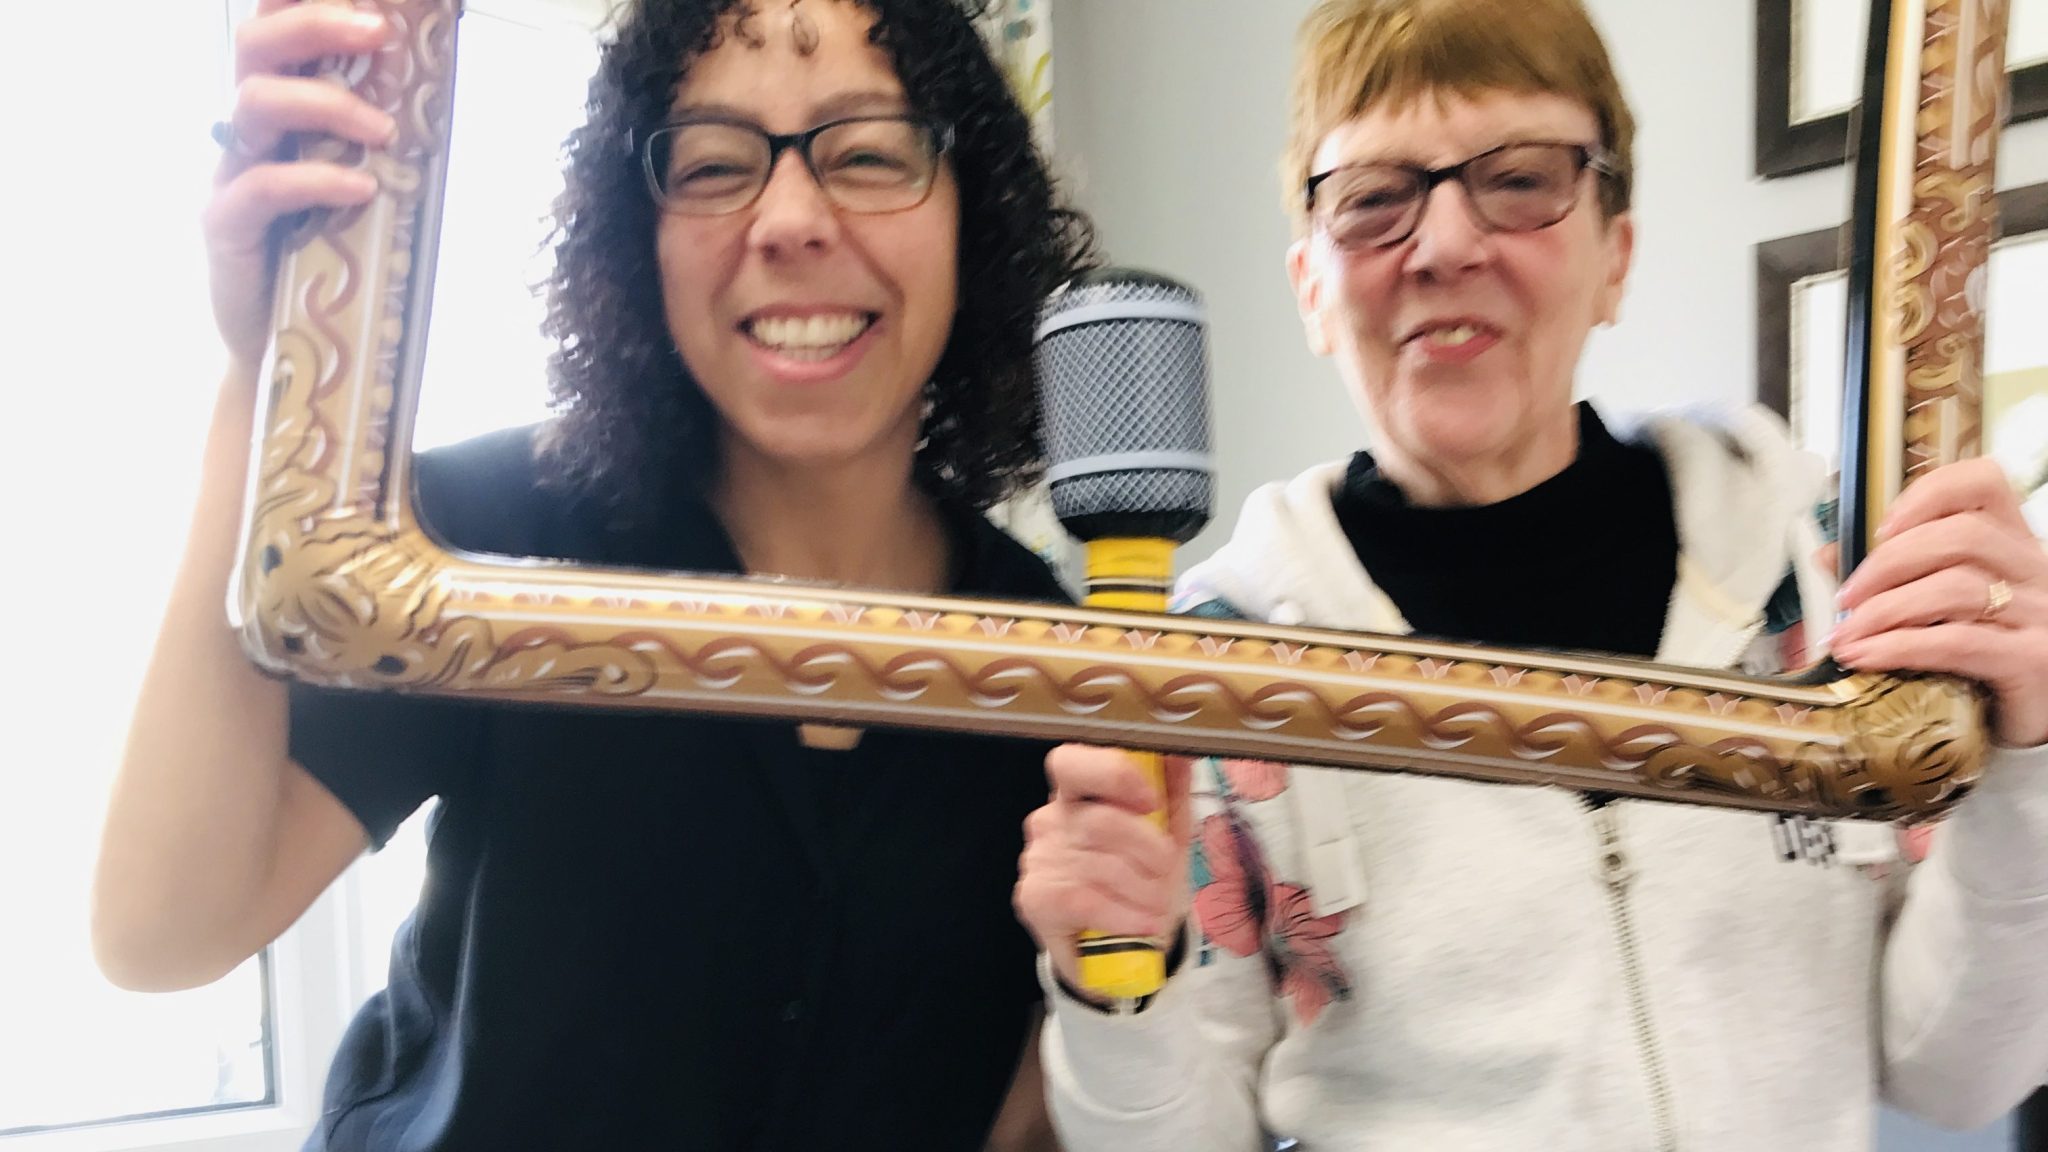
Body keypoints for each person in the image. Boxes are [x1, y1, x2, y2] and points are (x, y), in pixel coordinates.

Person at [1011, 0, 2048, 1148]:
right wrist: (1119, 984)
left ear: (1615, 255)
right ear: (1310, 286)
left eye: (1519, 180)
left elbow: (1953, 1074)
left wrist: (2028, 772)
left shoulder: (1821, 572)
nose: (1445, 243)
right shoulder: (1214, 671)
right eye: (1372, 198)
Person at [92, 1, 1095, 1149]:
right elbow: (162, 933)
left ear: (977, 219)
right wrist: (267, 369)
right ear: (638, 239)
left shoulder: (1046, 662)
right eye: (713, 167)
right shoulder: (477, 545)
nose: (790, 218)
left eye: (866, 154)